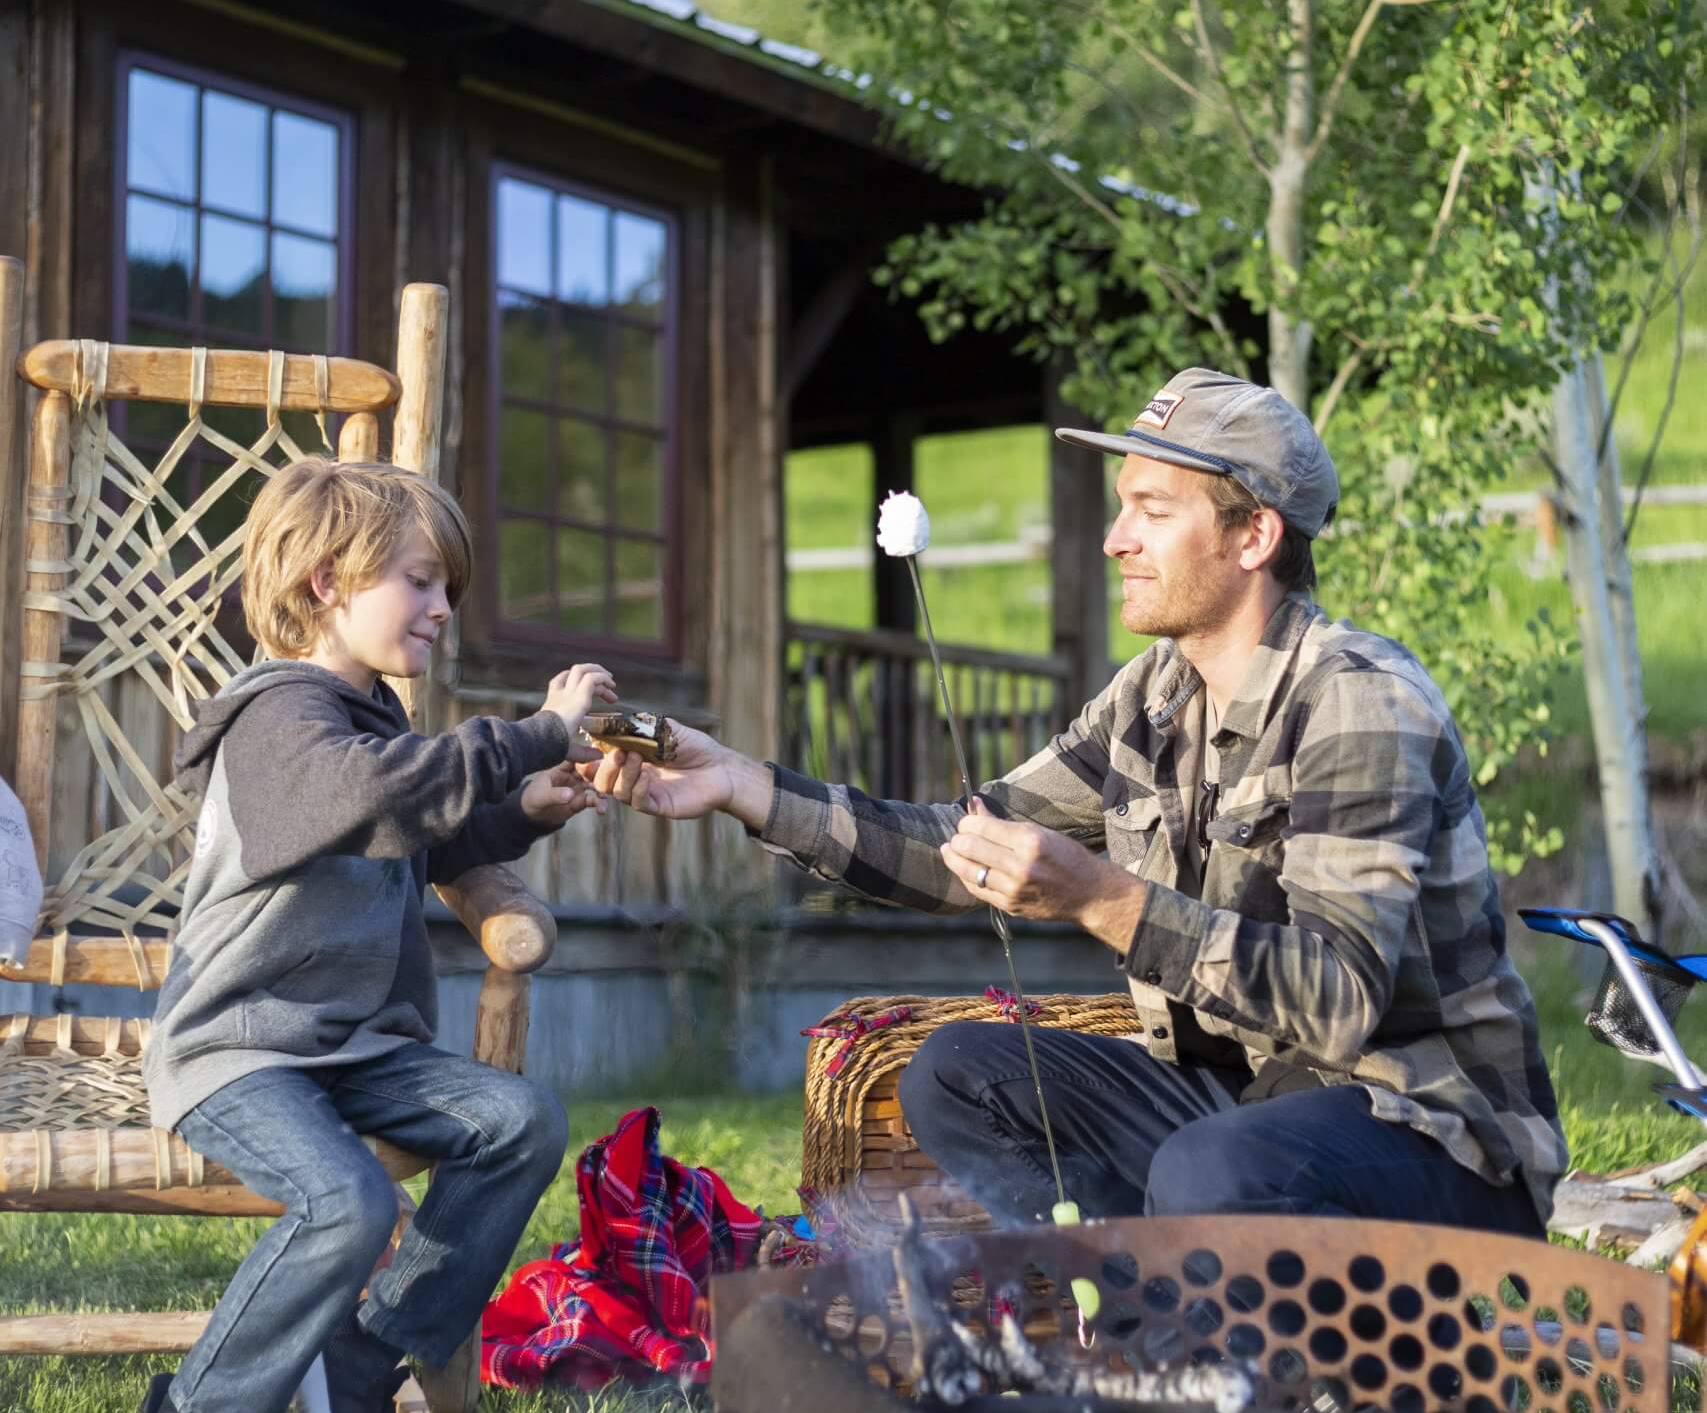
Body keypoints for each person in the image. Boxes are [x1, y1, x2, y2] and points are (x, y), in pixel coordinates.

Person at [585, 367, 1564, 1241]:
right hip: (1246, 1105)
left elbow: (1339, 999)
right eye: (1120, 505)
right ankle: (1121, 1318)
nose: (1114, 538)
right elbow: (957, 845)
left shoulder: (1358, 699)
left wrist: (1105, 899)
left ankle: (1218, 1364)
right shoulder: (1151, 697)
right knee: (957, 1074)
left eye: (1152, 508)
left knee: (1210, 1167)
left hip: (1431, 1136)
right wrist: (741, 786)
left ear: (1255, 532)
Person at [122, 458, 614, 1413]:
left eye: (447, 588)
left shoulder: (372, 721)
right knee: (346, 1201)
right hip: (239, 1048)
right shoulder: (278, 721)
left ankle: (359, 1364)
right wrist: (535, 730)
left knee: (518, 1120)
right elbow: (377, 797)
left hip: (355, 1050)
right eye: (422, 581)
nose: (443, 609)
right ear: (327, 585)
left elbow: (417, 833)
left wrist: (532, 801)